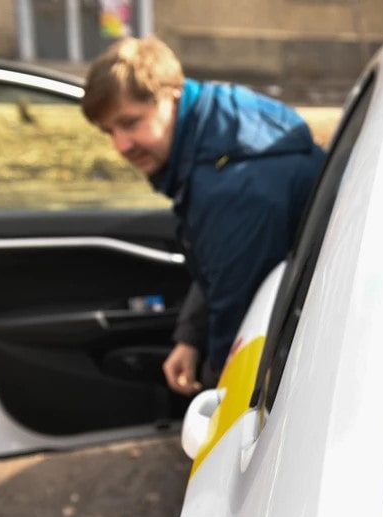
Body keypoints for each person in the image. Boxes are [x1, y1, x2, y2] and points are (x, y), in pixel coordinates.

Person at [81, 35, 325, 395]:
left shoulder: (232, 184)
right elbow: (219, 262)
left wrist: (215, 400)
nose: (120, 146)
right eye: (109, 131)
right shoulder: (215, 127)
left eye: (131, 123)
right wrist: (190, 338)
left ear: (170, 95)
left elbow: (238, 319)